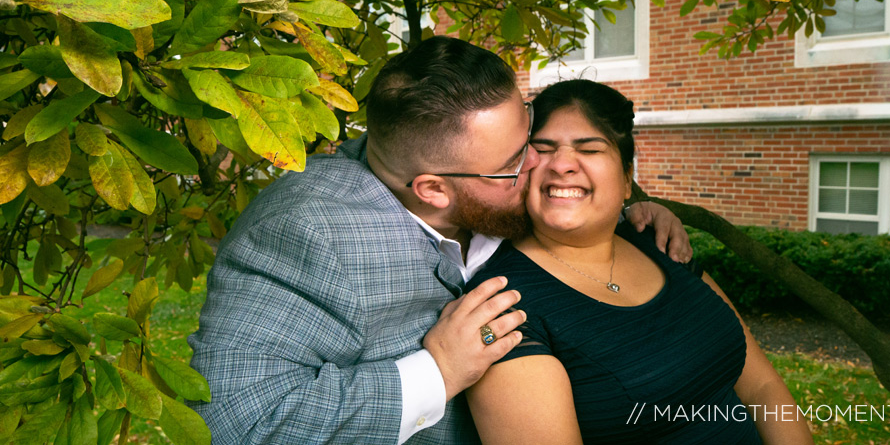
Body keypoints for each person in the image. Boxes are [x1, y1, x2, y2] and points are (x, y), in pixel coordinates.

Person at [188, 37, 690, 444]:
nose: (543, 164)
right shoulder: (307, 231)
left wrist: (626, 213)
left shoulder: (490, 193)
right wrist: (438, 370)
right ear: (434, 189)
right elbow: (237, 425)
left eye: (530, 132)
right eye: (516, 163)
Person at [466, 79, 813, 444]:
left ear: (627, 180)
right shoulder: (503, 307)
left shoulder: (660, 243)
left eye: (590, 149)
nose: (563, 165)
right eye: (543, 149)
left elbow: (762, 388)